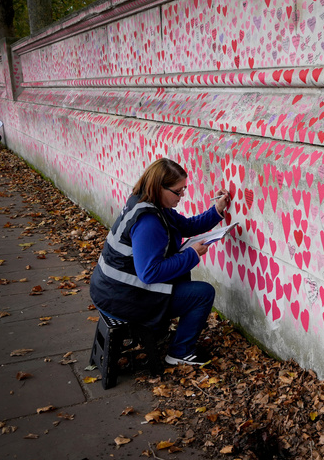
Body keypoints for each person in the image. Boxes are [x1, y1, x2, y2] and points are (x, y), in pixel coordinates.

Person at [90, 157, 231, 366]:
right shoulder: (149, 222)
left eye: (184, 189)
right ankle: (180, 352)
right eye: (178, 191)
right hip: (121, 297)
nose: (182, 196)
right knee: (203, 293)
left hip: (111, 289)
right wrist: (191, 254)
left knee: (181, 273)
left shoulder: (147, 203)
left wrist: (217, 210)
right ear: (159, 187)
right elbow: (150, 273)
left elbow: (187, 226)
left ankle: (158, 331)